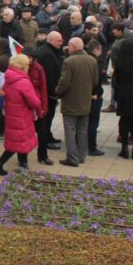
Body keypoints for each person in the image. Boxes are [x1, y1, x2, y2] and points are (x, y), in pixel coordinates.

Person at [0, 54, 42, 175]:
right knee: (18, 142)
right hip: (22, 116)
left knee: (19, 141)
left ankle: (23, 165)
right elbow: (34, 102)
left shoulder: (9, 77)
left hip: (11, 114)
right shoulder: (23, 82)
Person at [55, 37, 98, 168]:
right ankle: (81, 156)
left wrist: (57, 92)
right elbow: (95, 81)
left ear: (73, 47)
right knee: (82, 130)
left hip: (70, 101)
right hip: (85, 100)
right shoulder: (92, 60)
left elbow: (64, 82)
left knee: (70, 130)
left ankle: (72, 158)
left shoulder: (69, 61)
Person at [113, 39, 133, 159]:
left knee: (124, 120)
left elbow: (117, 79)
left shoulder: (118, 61)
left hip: (123, 93)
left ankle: (124, 147)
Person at [36, 31, 64, 148]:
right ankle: (45, 139)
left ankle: (48, 135)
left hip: (49, 92)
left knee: (49, 117)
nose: (61, 43)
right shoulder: (47, 53)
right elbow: (48, 76)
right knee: (46, 117)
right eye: (59, 41)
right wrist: (53, 93)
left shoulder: (50, 50)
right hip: (47, 93)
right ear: (51, 40)